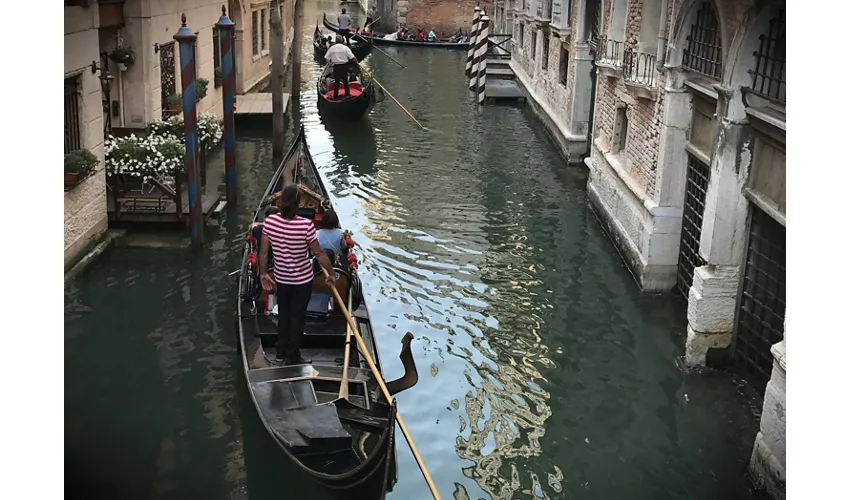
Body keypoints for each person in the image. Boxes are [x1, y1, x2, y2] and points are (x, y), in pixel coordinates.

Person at [259, 184, 336, 365]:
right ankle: (293, 355)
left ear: (280, 201)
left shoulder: (270, 222)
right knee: (297, 318)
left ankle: (280, 353)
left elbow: (263, 253)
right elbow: (319, 254)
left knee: (284, 316)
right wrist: (331, 273)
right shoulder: (306, 225)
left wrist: (263, 273)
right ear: (299, 203)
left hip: (282, 279)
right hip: (302, 281)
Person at [325, 35, 358, 100]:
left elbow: (326, 57)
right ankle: (347, 95)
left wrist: (330, 64)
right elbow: (352, 57)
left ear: (336, 41)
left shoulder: (332, 48)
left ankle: (335, 96)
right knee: (345, 81)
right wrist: (356, 62)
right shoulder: (345, 48)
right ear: (342, 41)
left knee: (337, 81)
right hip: (344, 66)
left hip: (336, 66)